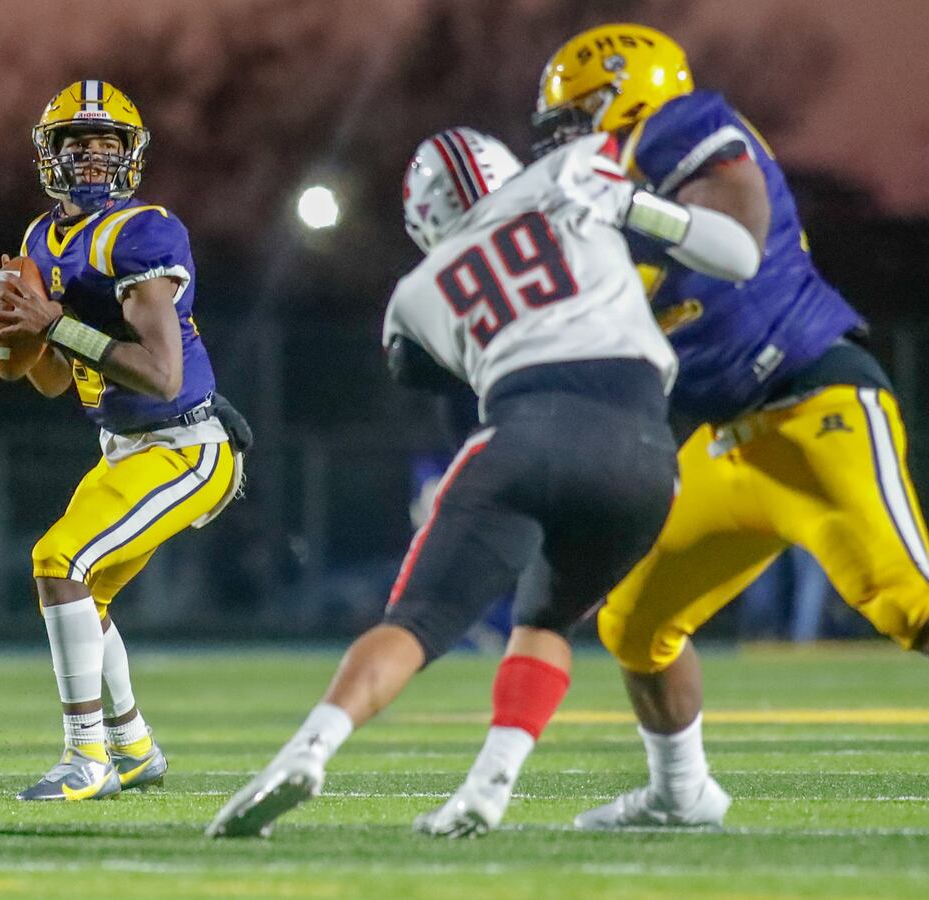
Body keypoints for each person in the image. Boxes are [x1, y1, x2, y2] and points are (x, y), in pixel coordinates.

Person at [210, 121, 746, 838]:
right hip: (644, 450)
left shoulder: (416, 292)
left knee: (416, 623)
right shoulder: (574, 177)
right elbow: (732, 254)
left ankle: (305, 752)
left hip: (525, 431)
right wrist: (635, 208)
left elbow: (418, 366)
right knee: (548, 620)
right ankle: (489, 785)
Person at [527, 23, 929, 830]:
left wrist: (625, 202)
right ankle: (682, 796)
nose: (569, 139)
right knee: (634, 624)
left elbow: (738, 251)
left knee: (908, 602)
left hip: (816, 405)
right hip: (729, 438)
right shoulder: (608, 203)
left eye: (580, 115)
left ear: (623, 91)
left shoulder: (681, 125)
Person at [0, 80, 248, 802]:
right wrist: (16, 342)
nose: (93, 158)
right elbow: (55, 381)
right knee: (82, 595)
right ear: (50, 155)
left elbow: (162, 376)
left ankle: (85, 757)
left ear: (131, 157)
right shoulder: (42, 239)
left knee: (58, 559)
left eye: (108, 145)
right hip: (125, 449)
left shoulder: (143, 231)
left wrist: (52, 324)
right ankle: (133, 749)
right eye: (77, 143)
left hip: (186, 448)